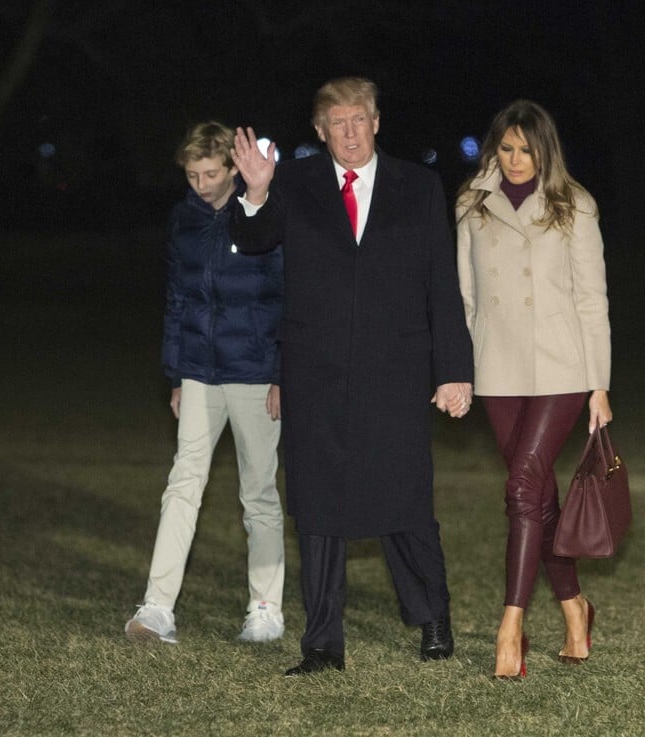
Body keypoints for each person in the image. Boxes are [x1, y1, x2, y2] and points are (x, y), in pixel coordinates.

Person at [230, 77, 474, 675]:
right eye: (336, 122)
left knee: (404, 498)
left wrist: (454, 371)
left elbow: (442, 285)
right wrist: (256, 194)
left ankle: (433, 619)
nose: (349, 132)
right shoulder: (295, 184)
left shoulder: (417, 186)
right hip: (315, 373)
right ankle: (322, 643)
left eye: (359, 119)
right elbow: (254, 241)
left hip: (396, 371)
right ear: (319, 130)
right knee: (318, 508)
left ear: (376, 122)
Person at [455, 99, 613, 678]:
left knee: (522, 484)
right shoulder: (472, 207)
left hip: (561, 369)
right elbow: (466, 299)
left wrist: (599, 384)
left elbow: (591, 300)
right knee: (538, 499)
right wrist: (461, 370)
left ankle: (510, 628)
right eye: (505, 147)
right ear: (493, 149)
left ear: (545, 149)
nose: (516, 159)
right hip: (499, 369)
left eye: (526, 148)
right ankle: (575, 607)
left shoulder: (575, 205)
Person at [125, 121, 286, 645]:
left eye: (210, 173)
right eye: (192, 174)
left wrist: (283, 373)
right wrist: (176, 375)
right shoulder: (183, 219)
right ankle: (156, 608)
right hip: (198, 369)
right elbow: (177, 299)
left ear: (234, 167)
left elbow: (288, 297)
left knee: (258, 492)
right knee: (182, 483)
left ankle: (265, 608)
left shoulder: (264, 215)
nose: (201, 183)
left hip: (256, 370)